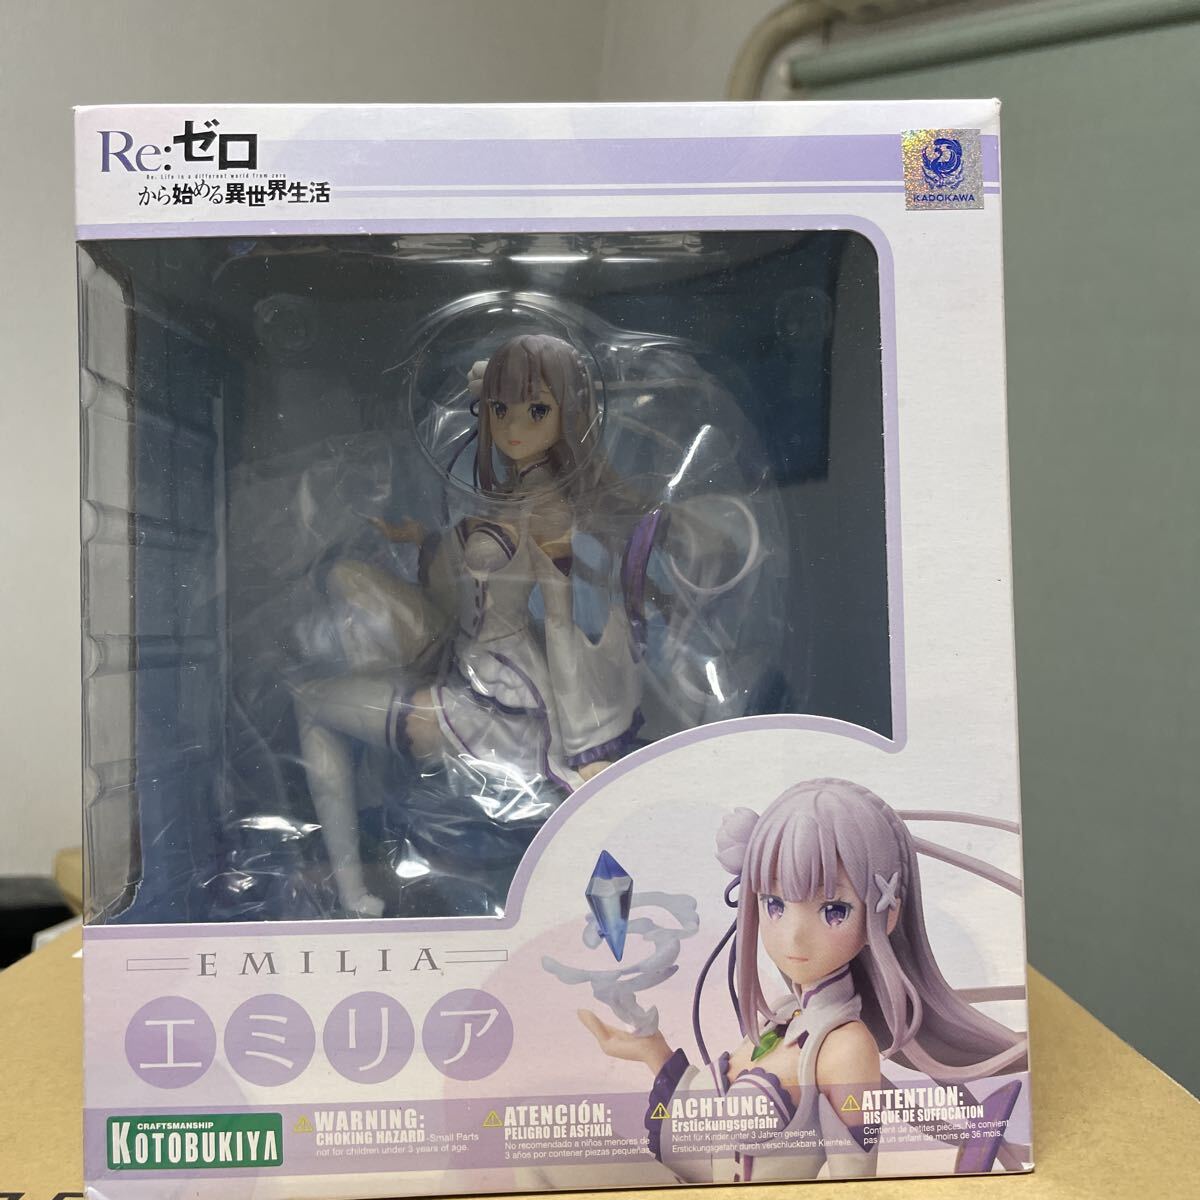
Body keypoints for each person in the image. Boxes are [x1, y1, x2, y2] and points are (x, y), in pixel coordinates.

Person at [294, 334, 641, 916]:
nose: (513, 427)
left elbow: (559, 625)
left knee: (310, 701)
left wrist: (585, 749)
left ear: (566, 415)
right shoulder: (513, 492)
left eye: (536, 411)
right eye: (500, 409)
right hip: (464, 660)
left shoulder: (548, 507)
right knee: (346, 581)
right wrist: (425, 542)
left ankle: (353, 892)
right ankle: (362, 862)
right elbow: (478, 577)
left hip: (492, 704)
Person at [580, 778, 1028, 1181]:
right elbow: (706, 1121)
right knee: (561, 1157)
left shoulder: (845, 1048)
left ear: (885, 915)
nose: (793, 935)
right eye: (774, 904)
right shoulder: (782, 1016)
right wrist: (653, 1051)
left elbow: (855, 1182)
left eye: (834, 910)